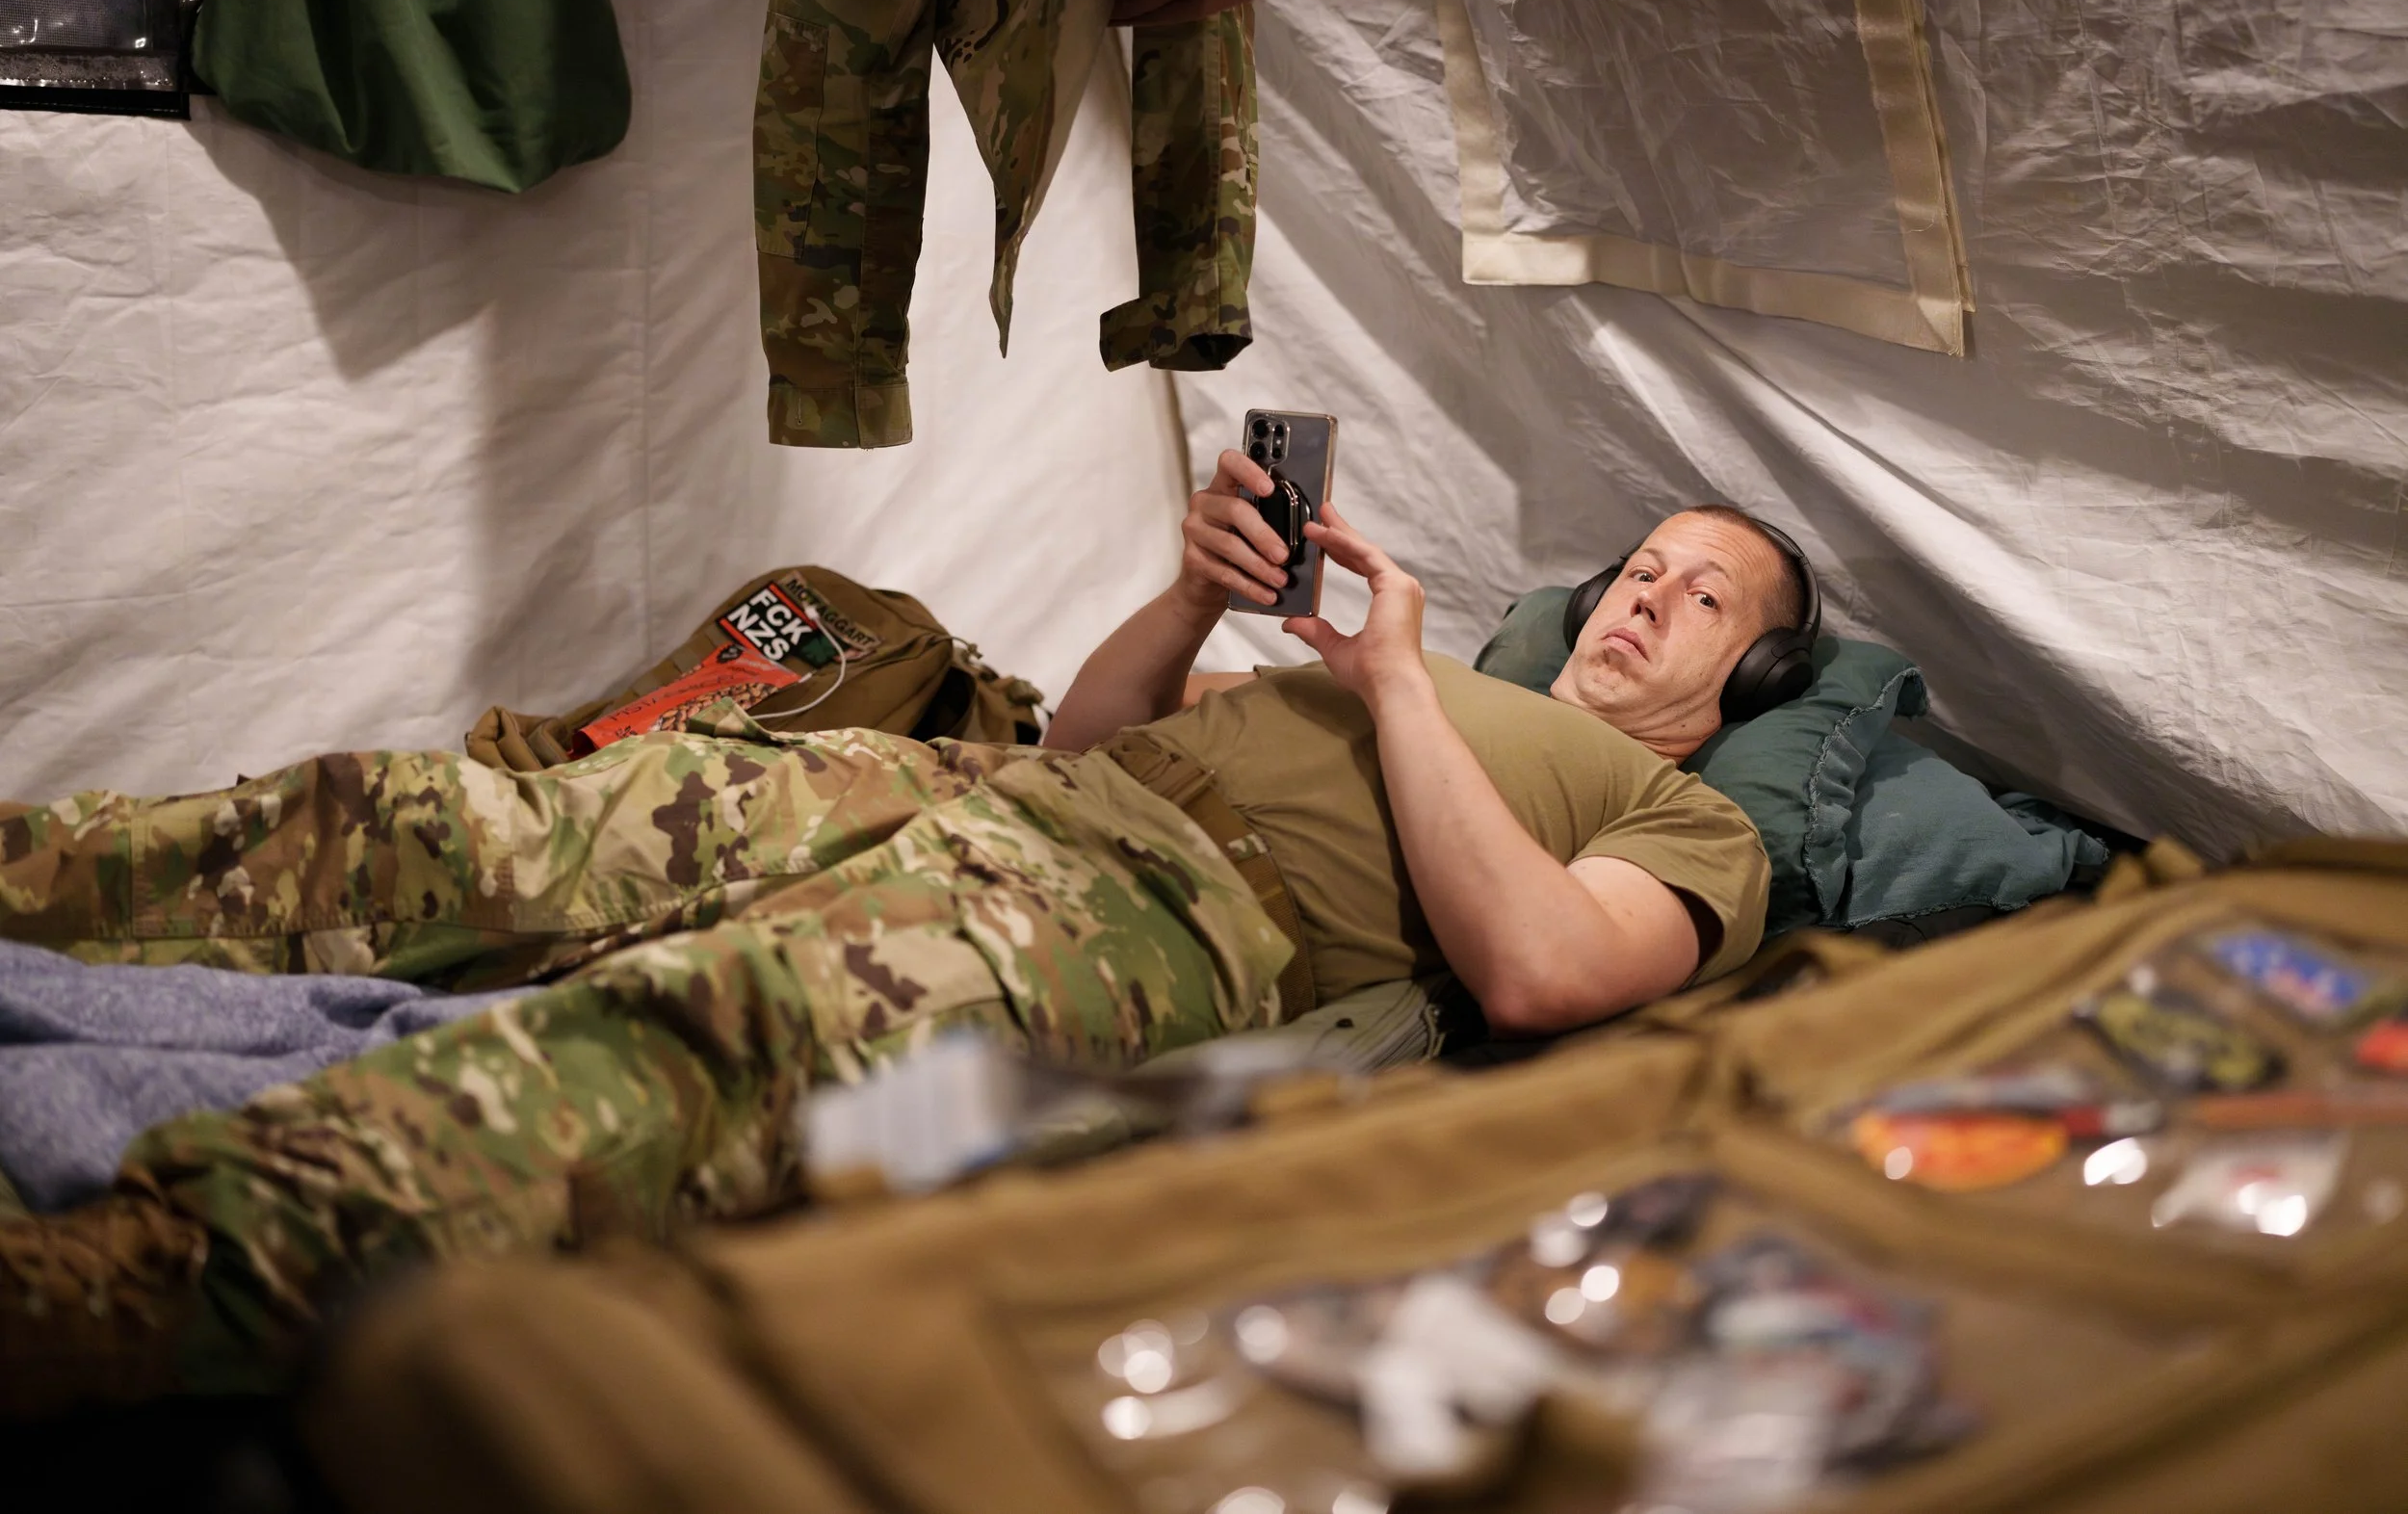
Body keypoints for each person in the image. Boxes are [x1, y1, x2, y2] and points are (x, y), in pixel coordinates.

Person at [0, 453, 1777, 1414]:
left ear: (1748, 680)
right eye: (1641, 562)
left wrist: (1393, 685)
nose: (1645, 594)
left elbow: (1540, 970)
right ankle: (40, 873)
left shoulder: (1694, 824)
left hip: (1150, 913)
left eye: (1707, 595)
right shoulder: (1446, 671)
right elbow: (1086, 736)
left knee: (708, 1038)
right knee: (483, 825)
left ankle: (127, 1286)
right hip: (986, 787)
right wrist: (1190, 600)